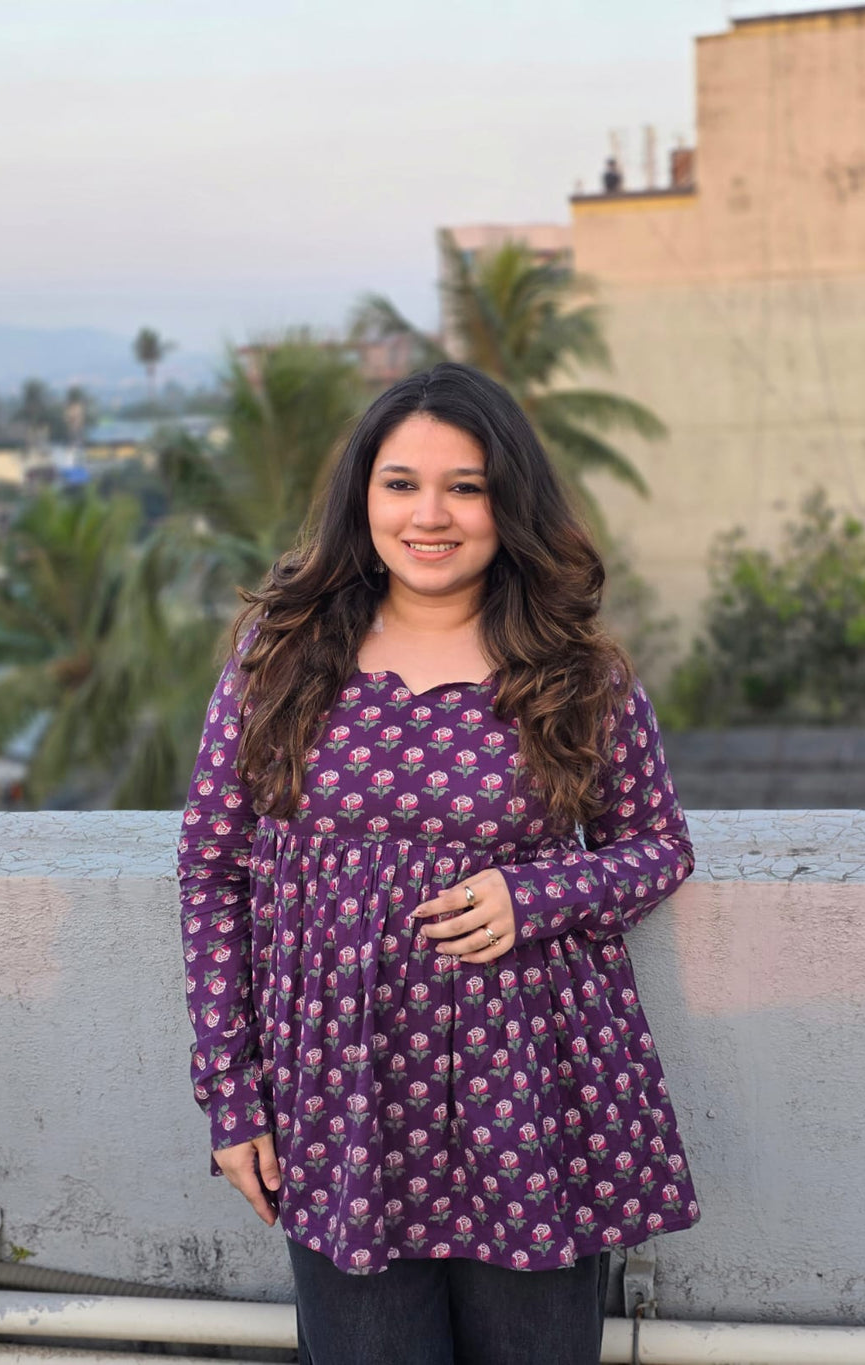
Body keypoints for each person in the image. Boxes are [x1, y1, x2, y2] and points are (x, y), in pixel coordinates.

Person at [177, 362, 700, 1365]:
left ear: (510, 503)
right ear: (360, 498)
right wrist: (232, 1095)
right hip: (339, 1103)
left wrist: (539, 893)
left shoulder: (575, 669)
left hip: (531, 1101)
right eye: (401, 483)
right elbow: (214, 873)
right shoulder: (277, 654)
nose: (432, 514)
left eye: (466, 486)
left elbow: (657, 846)